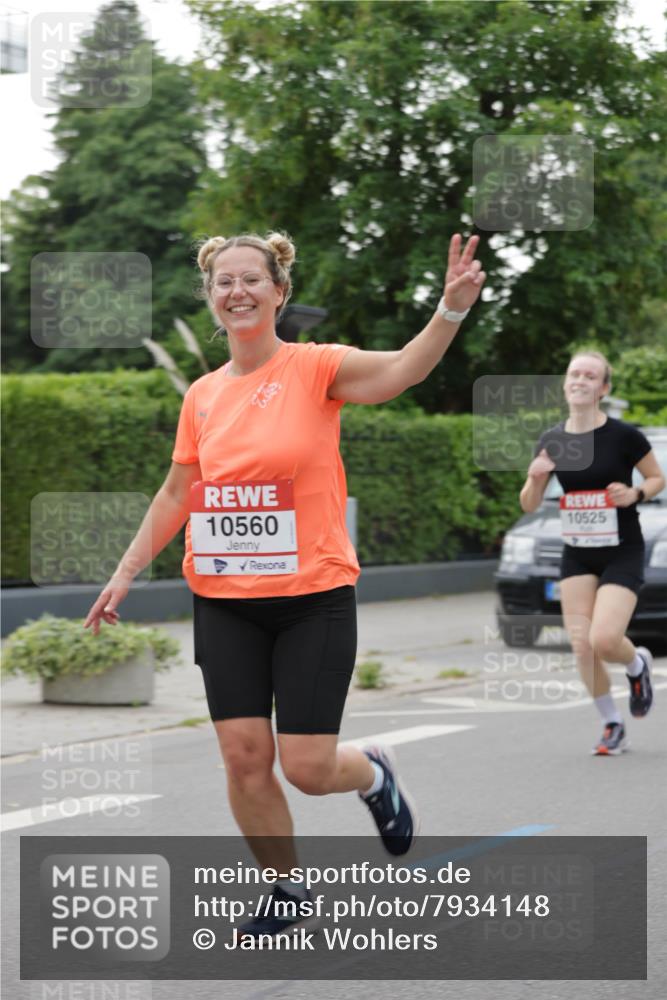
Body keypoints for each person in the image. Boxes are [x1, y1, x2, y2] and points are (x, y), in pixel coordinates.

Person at [84, 229, 486, 938]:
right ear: (211, 299)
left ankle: (372, 773)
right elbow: (178, 491)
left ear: (278, 291)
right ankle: (285, 888)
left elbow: (399, 372)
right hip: (224, 601)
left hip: (311, 599)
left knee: (304, 766)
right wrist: (123, 574)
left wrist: (448, 312)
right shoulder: (203, 396)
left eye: (250, 279)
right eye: (223, 283)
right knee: (243, 758)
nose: (236, 291)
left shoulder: (315, 367)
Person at [520, 351, 665, 755]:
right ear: (566, 384)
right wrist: (534, 479)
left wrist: (634, 492)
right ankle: (611, 723)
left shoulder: (624, 436)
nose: (580, 379)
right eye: (574, 373)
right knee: (581, 643)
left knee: (604, 639)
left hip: (622, 548)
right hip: (578, 551)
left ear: (603, 388)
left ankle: (636, 664)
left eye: (590, 375)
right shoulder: (552, 440)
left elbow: (657, 478)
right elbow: (529, 504)